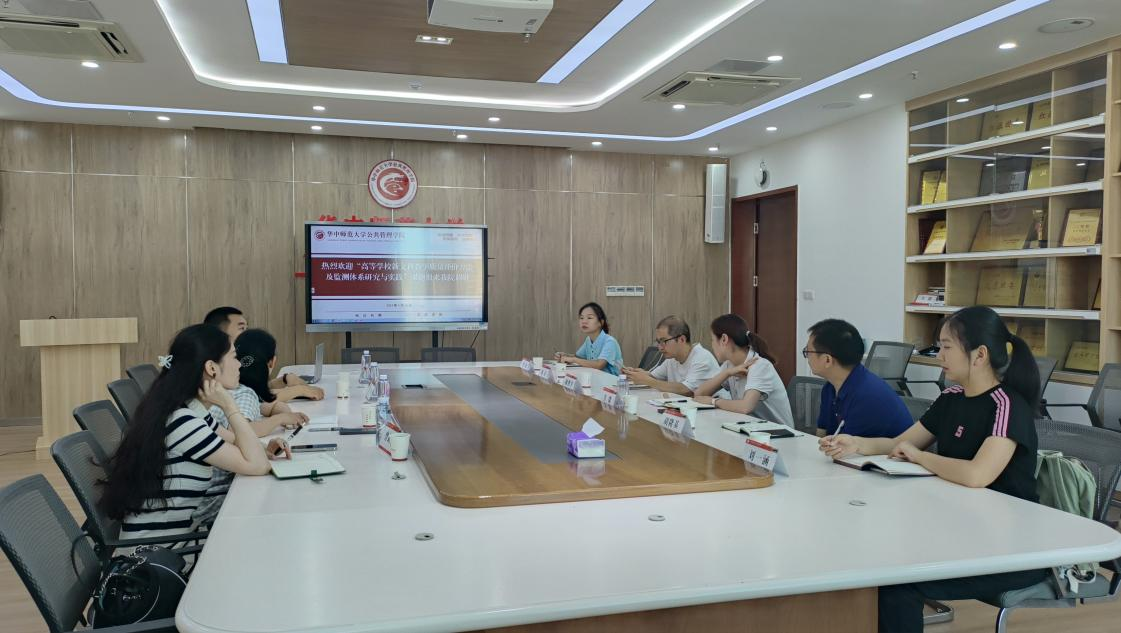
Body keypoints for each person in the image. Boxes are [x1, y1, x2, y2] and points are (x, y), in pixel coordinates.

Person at [818, 306, 1044, 633]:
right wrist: (857, 444)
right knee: (873, 559)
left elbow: (977, 475)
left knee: (897, 585)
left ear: (979, 355)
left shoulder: (1006, 406)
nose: (940, 356)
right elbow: (900, 443)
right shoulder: (952, 398)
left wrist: (920, 457)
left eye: (947, 347)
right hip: (962, 527)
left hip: (1008, 547)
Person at [101, 324, 291, 546]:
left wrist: (265, 449)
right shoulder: (184, 422)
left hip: (175, 541)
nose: (240, 364)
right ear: (211, 368)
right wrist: (229, 406)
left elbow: (238, 443)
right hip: (163, 555)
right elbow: (258, 466)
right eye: (234, 357)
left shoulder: (190, 408)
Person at [804, 318, 913, 438]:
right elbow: (821, 436)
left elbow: (847, 446)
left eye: (808, 351)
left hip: (888, 450)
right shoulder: (830, 388)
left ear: (827, 360)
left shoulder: (867, 396)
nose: (807, 356)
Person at [203, 305, 323, 401]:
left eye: (247, 328)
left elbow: (253, 389)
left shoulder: (237, 361)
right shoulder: (216, 368)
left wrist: (284, 380)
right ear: (219, 334)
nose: (248, 334)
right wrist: (298, 391)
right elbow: (255, 399)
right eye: (242, 328)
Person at [693, 314, 793, 426]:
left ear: (724, 339)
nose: (712, 345)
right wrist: (727, 373)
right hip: (751, 428)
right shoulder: (729, 365)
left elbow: (745, 407)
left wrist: (714, 401)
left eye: (712, 340)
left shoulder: (759, 365)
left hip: (777, 433)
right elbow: (699, 394)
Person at [622, 316, 719, 396]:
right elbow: (654, 377)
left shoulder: (702, 358)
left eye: (664, 341)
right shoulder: (672, 359)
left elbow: (687, 390)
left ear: (681, 339)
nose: (660, 348)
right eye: (658, 342)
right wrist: (633, 374)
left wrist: (648, 381)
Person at [555, 302, 624, 375]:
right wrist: (565, 356)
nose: (584, 321)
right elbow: (579, 357)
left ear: (601, 322)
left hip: (612, 380)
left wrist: (573, 359)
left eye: (589, 318)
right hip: (595, 378)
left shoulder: (610, 341)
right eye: (581, 318)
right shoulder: (588, 340)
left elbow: (599, 365)